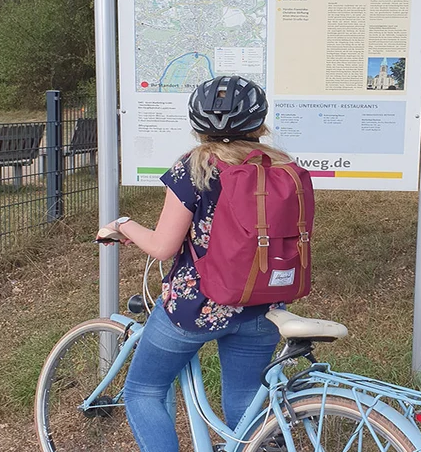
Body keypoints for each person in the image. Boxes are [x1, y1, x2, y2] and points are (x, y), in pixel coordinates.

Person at [99, 76, 290, 452]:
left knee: (144, 390)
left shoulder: (195, 167)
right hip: (262, 302)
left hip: (198, 305)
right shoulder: (279, 166)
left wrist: (123, 225)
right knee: (244, 401)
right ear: (259, 122)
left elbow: (164, 247)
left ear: (197, 123)